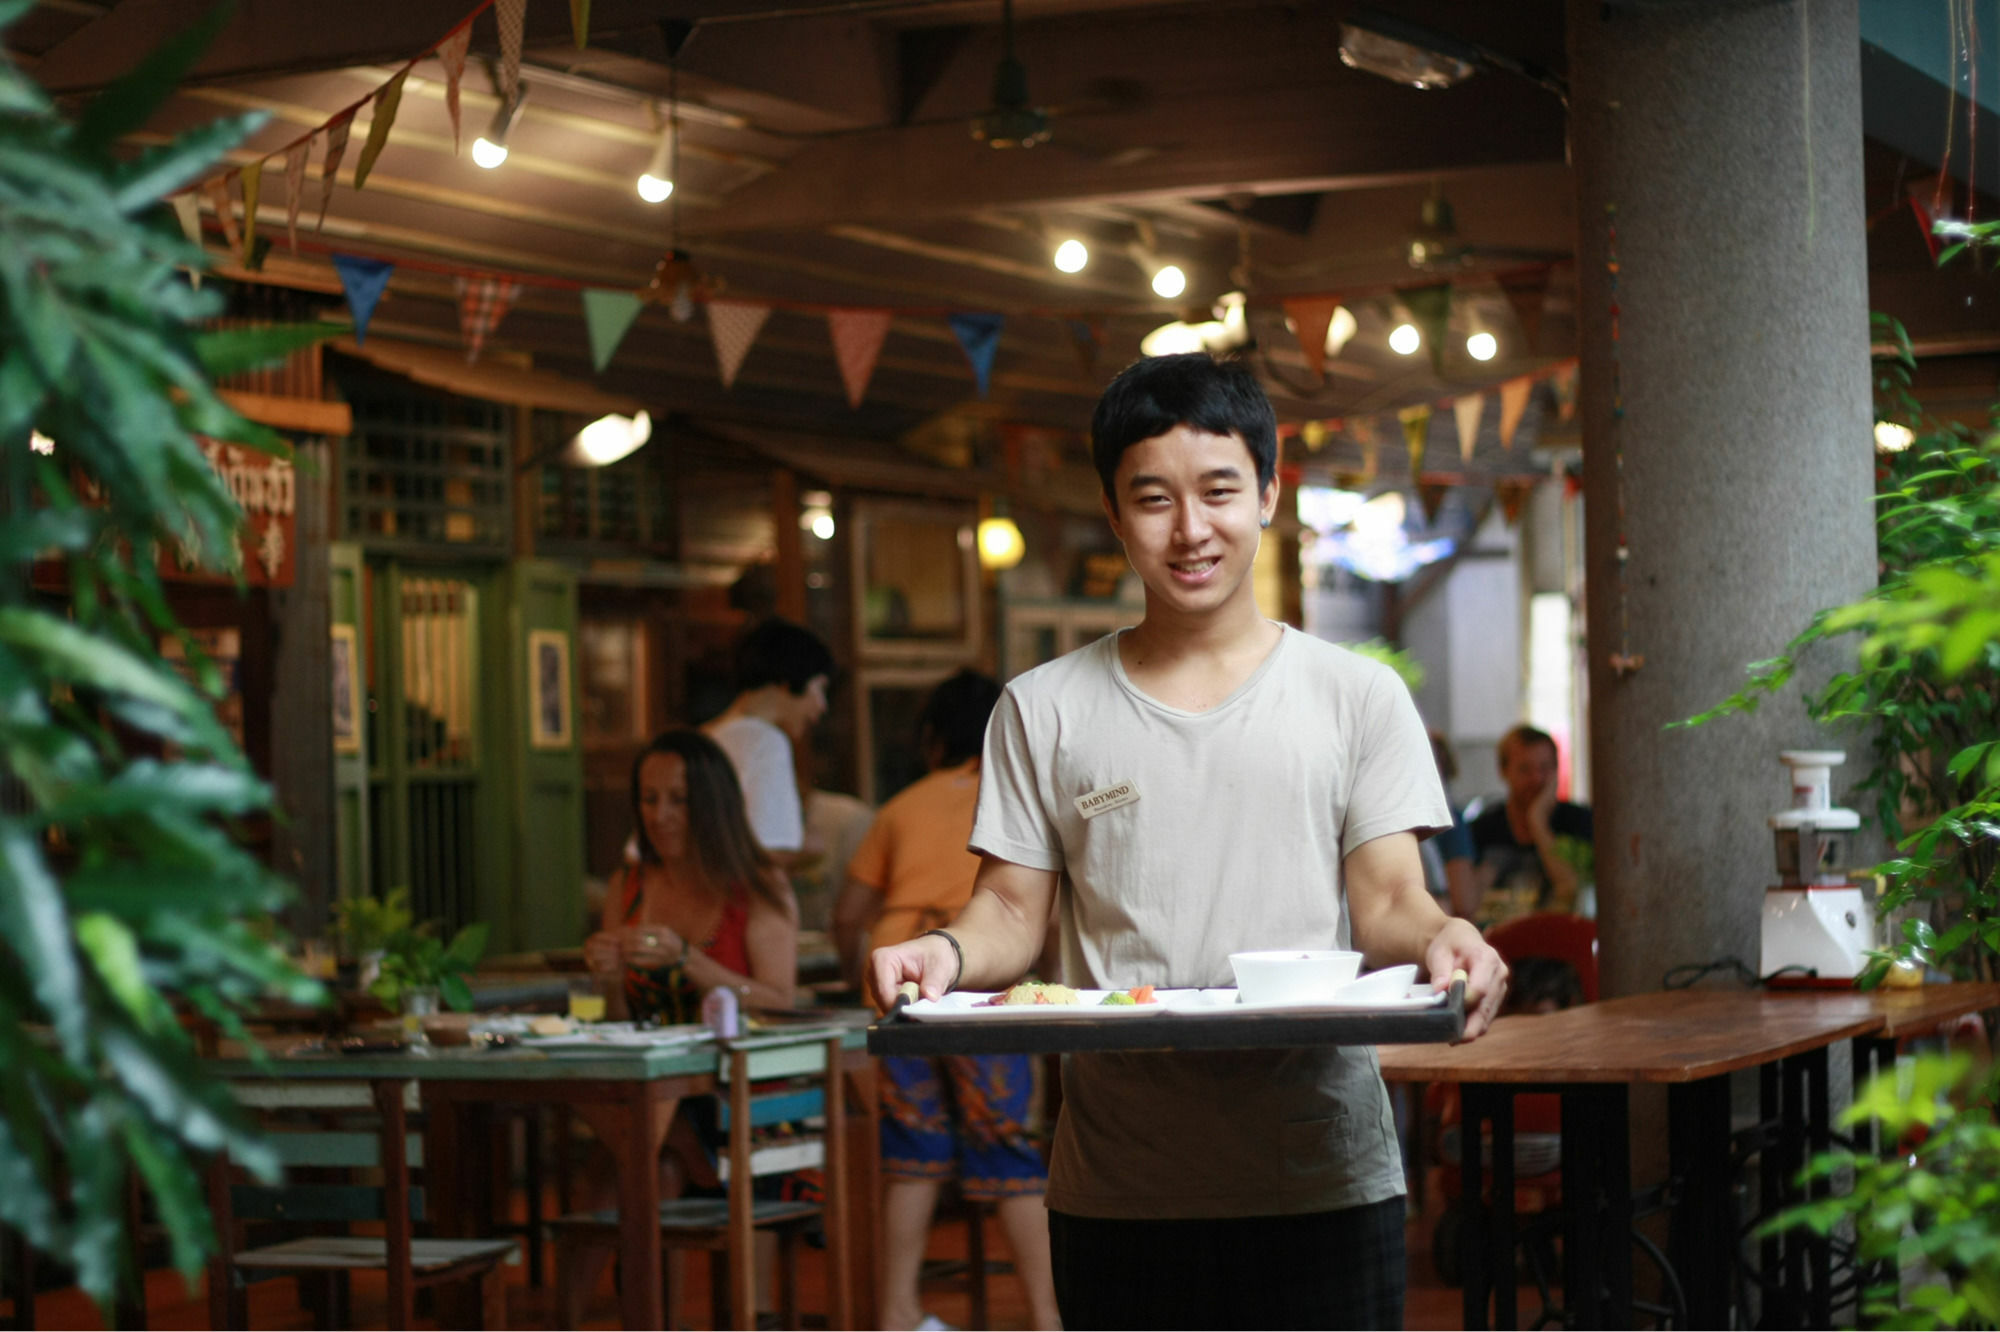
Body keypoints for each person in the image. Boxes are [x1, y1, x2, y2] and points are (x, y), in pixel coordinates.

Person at [869, 352, 1508, 1330]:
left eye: (1216, 490)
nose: (1188, 529)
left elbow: (1388, 900)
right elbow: (1007, 912)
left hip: (1321, 1175)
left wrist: (1439, 938)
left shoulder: (1354, 696)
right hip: (1121, 1189)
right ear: (1113, 511)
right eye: (1152, 498)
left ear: (1268, 492)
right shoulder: (1042, 709)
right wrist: (944, 955)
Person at [833, 669, 1062, 1332]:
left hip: (900, 985)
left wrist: (862, 971)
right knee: (1009, 1151)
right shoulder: (1013, 798)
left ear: (933, 740)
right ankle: (1049, 1318)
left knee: (913, 1151)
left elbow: (849, 914)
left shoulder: (900, 806)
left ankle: (897, 1312)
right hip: (981, 988)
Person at [586, 728, 799, 1022]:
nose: (660, 816)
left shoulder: (759, 884)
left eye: (679, 800)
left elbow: (780, 1003)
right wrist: (609, 978)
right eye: (649, 799)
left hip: (736, 1064)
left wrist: (686, 959)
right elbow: (618, 1023)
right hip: (651, 1065)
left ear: (712, 804)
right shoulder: (626, 885)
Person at [703, 618, 835, 867]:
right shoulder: (765, 742)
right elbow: (772, 851)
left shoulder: (708, 734)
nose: (821, 705)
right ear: (788, 681)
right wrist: (811, 847)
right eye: (819, 688)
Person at [1465, 724, 1594, 925]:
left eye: (1545, 768)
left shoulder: (1579, 821)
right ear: (1503, 771)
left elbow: (1572, 890)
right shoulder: (1482, 830)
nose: (1536, 779)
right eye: (1525, 769)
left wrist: (1538, 823)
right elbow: (1468, 905)